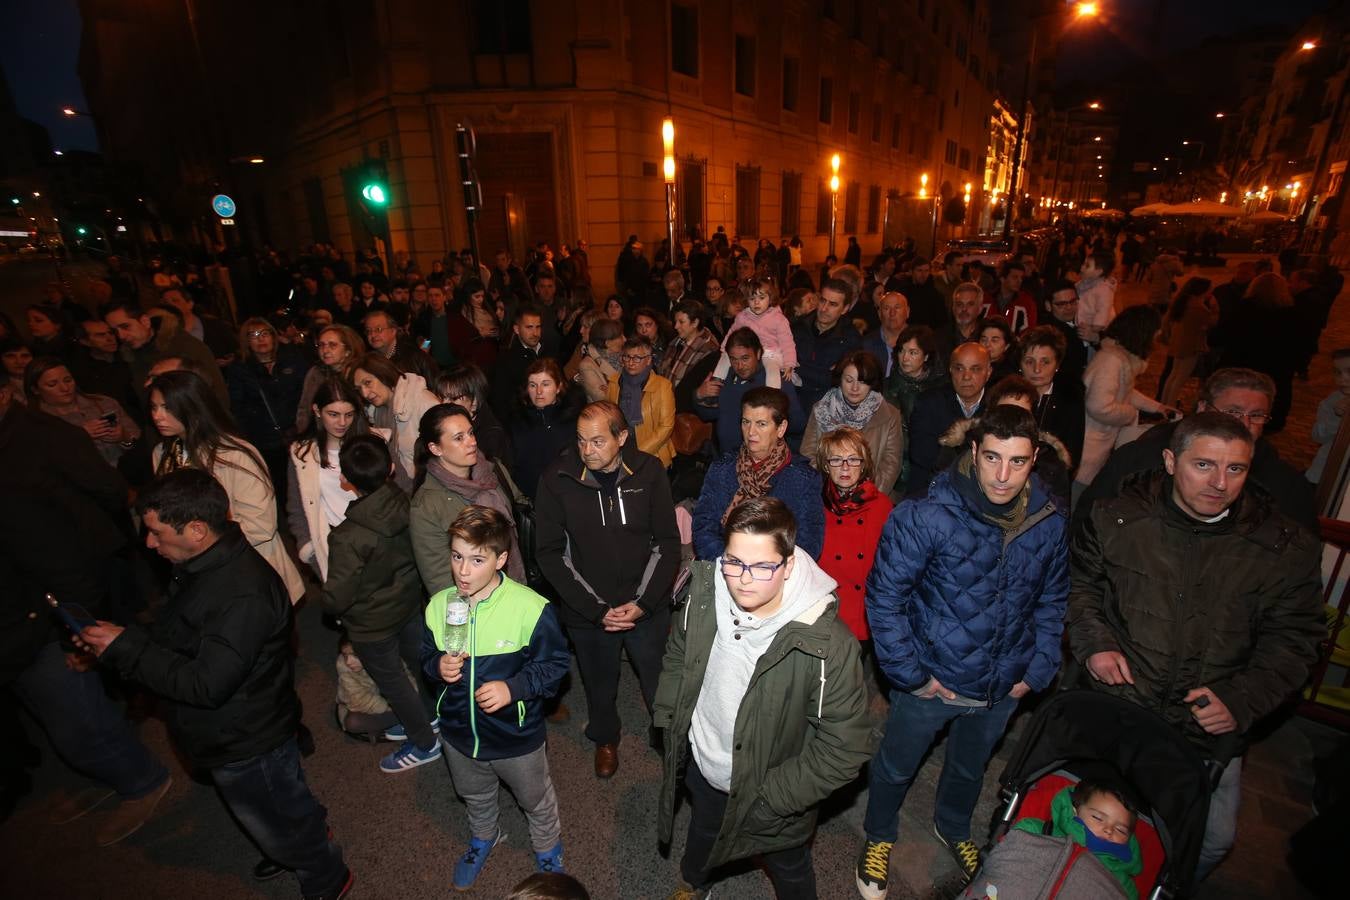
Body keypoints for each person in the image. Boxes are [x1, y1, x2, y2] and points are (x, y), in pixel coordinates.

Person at [1067, 412, 1323, 881]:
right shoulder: (1118, 518)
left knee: (1210, 840)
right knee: (1090, 814)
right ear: (1170, 461)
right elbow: (1081, 587)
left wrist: (1242, 699)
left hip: (1204, 731)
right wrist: (1095, 644)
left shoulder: (1283, 548)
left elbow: (1297, 639)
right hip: (1121, 706)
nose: (1219, 483)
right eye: (1203, 465)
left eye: (1235, 469)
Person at [77, 470, 352, 900]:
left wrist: (128, 650)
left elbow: (206, 685)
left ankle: (324, 874)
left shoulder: (241, 593)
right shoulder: (201, 565)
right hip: (235, 728)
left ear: (197, 530)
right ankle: (297, 838)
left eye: (156, 533)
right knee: (279, 804)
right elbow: (179, 629)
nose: (148, 543)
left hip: (247, 735)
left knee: (276, 811)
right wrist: (123, 639)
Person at [857, 405, 1069, 897]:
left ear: (1035, 459)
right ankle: (879, 834)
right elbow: (885, 599)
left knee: (970, 769)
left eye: (1017, 461)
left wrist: (1036, 669)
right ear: (973, 451)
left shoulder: (1049, 519)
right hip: (932, 680)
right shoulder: (925, 514)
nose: (1003, 475)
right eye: (992, 457)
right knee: (896, 765)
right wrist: (912, 675)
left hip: (1003, 684)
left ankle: (952, 826)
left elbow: (1053, 599)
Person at [655, 497, 871, 900]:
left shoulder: (829, 644)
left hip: (769, 793)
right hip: (704, 765)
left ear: (788, 565)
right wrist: (670, 717)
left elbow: (846, 748)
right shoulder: (704, 595)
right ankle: (694, 882)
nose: (743, 579)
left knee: (789, 866)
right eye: (734, 562)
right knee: (703, 829)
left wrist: (775, 796)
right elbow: (679, 654)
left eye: (762, 567)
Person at [0, 377, 173, 847]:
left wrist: (79, 623)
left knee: (75, 711)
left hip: (49, 606)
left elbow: (102, 497)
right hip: (27, 610)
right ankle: (109, 770)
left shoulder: (40, 437)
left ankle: (140, 779)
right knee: (65, 709)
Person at [420, 506, 570, 889]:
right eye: (457, 556)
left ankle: (547, 847)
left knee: (534, 798)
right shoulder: (439, 606)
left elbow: (555, 667)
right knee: (474, 793)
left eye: (477, 560)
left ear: (501, 559)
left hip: (515, 737)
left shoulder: (530, 608)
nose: (463, 571)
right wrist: (437, 665)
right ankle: (485, 835)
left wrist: (512, 688)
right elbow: (424, 656)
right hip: (458, 732)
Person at [534, 401, 681, 778]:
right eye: (581, 440)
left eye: (598, 441)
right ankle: (605, 738)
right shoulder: (558, 479)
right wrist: (597, 610)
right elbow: (550, 553)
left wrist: (643, 603)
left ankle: (666, 737)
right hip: (589, 613)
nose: (587, 451)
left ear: (622, 437)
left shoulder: (649, 471)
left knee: (657, 678)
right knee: (599, 683)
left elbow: (667, 543)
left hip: (645, 605)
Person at [322, 435, 438, 773]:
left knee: (394, 683)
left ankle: (424, 743)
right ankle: (429, 718)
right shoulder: (405, 502)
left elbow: (338, 593)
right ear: (390, 468)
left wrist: (330, 608)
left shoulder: (347, 536)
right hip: (408, 604)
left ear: (346, 479)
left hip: (371, 624)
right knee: (420, 665)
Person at [1078, 367, 1317, 529]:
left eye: (1256, 415)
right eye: (1233, 411)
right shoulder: (1142, 457)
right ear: (1202, 408)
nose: (1244, 424)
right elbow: (1090, 520)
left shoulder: (1286, 486)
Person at [149, 370, 306, 604]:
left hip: (248, 572)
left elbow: (260, 525)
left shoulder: (233, 454)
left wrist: (200, 545)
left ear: (192, 406)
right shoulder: (162, 454)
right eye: (153, 407)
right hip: (201, 576)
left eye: (167, 407)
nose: (157, 416)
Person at [693, 387, 824, 560]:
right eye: (746, 422)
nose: (751, 432)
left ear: (781, 428)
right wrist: (731, 562)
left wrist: (763, 566)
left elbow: (809, 543)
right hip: (722, 565)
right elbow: (703, 526)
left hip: (776, 572)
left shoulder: (803, 479)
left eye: (761, 424)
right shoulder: (722, 469)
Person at [410, 403, 526, 593]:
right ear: (436, 448)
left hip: (515, 587)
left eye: (471, 433)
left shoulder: (493, 471)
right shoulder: (427, 505)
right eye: (459, 438)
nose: (471, 442)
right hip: (471, 602)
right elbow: (439, 580)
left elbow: (520, 504)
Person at [1076, 306, 1178, 495]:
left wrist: (1157, 407)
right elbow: (1098, 406)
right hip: (1088, 445)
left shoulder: (1120, 358)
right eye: (1155, 331)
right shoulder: (1111, 361)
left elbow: (1125, 391)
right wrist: (1131, 414)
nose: (1157, 337)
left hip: (1096, 442)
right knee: (1077, 494)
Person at [815, 427, 894, 650]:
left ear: (863, 464)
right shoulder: (814, 504)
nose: (845, 467)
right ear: (825, 465)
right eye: (836, 460)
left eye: (853, 459)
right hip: (824, 610)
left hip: (862, 615)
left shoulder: (882, 506)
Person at [286, 376, 370, 581]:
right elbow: (296, 508)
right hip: (333, 546)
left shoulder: (373, 444)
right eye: (333, 414)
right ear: (317, 410)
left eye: (349, 415)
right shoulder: (301, 454)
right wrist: (310, 550)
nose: (342, 423)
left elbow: (399, 492)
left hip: (374, 541)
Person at [1009, 779, 1143, 898]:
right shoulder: (1038, 831)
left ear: (1129, 840)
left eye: (1120, 830)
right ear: (1075, 811)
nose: (1108, 830)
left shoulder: (1122, 884)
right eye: (1098, 818)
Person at [228, 317, 312, 504]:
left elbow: (308, 393)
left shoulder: (292, 359)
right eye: (254, 335)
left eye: (265, 333)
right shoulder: (241, 369)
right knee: (282, 488)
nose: (261, 339)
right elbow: (238, 407)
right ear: (246, 341)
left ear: (273, 336)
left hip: (299, 433)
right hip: (266, 439)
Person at [801, 350, 903, 495]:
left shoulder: (890, 415)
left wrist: (866, 496)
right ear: (840, 380)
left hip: (872, 494)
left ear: (871, 383)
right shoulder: (822, 409)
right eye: (849, 380)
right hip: (826, 493)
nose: (855, 388)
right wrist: (828, 492)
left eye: (862, 382)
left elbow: (891, 465)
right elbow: (808, 455)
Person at [694, 327, 806, 454]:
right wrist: (699, 395)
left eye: (745, 358)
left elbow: (798, 425)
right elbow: (708, 415)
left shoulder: (776, 383)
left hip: (761, 460)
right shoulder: (725, 377)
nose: (739, 366)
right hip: (726, 457)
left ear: (758, 354)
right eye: (733, 359)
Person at [102, 301, 227, 407]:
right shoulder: (127, 357)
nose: (121, 336)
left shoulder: (184, 346)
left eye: (125, 326)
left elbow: (217, 395)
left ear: (145, 321)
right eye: (115, 331)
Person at [906, 342, 991, 497]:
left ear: (988, 372)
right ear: (950, 370)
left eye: (975, 369)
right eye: (959, 368)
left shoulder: (996, 406)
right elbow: (922, 455)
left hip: (983, 494)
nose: (966, 376)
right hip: (932, 490)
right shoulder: (929, 403)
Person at [25, 356, 139, 466]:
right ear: (35, 390)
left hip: (122, 470)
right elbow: (41, 461)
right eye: (52, 384)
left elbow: (135, 442)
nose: (65, 388)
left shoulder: (104, 403)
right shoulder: (35, 421)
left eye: (68, 380)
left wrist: (124, 437)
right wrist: (79, 435)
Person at [351, 352, 439, 486]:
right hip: (400, 488)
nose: (364, 393)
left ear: (383, 373)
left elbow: (444, 451)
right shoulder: (377, 411)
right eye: (359, 389)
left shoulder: (423, 402)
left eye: (368, 383)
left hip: (427, 488)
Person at [510, 359, 582, 500]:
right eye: (533, 385)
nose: (539, 391)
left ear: (558, 387)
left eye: (545, 384)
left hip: (568, 497)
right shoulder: (518, 423)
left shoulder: (574, 422)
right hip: (529, 499)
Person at [1019, 324, 1085, 471]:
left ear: (1057, 365)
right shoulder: (1008, 396)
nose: (1037, 369)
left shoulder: (1070, 400)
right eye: (1029, 361)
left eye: (1045, 362)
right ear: (1020, 364)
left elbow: (1072, 455)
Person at [792, 278, 862, 411]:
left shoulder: (851, 340)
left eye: (833, 304)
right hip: (792, 404)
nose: (824, 308)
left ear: (845, 309)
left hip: (828, 410)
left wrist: (800, 369)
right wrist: (825, 373)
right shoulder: (796, 328)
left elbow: (843, 381)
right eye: (822, 301)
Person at [606, 335, 676, 467]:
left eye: (637, 358)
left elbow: (666, 426)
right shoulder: (614, 382)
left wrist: (640, 452)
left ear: (648, 360)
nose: (631, 362)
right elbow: (609, 418)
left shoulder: (662, 386)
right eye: (627, 357)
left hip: (653, 454)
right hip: (621, 449)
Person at [714, 276, 798, 386]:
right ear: (747, 300)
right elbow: (732, 333)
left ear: (770, 299)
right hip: (748, 351)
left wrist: (789, 363)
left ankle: (772, 393)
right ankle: (717, 381)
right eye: (752, 299)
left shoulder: (778, 319)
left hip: (769, 353)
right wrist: (724, 348)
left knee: (772, 370)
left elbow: (787, 343)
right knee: (725, 355)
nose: (756, 302)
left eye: (761, 298)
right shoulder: (743, 316)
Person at [434, 363, 514, 470]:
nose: (444, 404)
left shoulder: (491, 437)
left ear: (474, 402)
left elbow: (486, 476)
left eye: (453, 399)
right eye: (441, 398)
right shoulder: (441, 423)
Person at [1158, 277, 1220, 408]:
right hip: (1191, 346)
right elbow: (1211, 322)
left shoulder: (1183, 303)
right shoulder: (1198, 307)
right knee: (1180, 379)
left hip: (1178, 344)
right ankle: (1170, 407)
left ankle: (1164, 404)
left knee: (1173, 376)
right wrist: (1215, 308)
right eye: (1210, 290)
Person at [297, 324, 364, 432]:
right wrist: (304, 434)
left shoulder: (359, 373)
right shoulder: (315, 373)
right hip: (320, 433)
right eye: (321, 345)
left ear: (348, 351)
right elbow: (305, 409)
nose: (325, 350)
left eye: (332, 345)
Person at [658, 300, 721, 412]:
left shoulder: (710, 350)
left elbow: (694, 390)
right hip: (665, 404)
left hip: (686, 411)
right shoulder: (677, 341)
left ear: (695, 322)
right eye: (675, 321)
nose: (676, 326)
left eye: (681, 322)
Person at [491, 304, 548, 423]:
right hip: (524, 423)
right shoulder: (506, 361)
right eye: (529, 327)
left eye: (538, 327)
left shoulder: (548, 351)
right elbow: (500, 403)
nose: (535, 333)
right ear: (517, 329)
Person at [159, 286, 237, 365]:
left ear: (190, 304)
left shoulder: (216, 325)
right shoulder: (164, 334)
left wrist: (231, 360)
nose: (170, 305)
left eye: (175, 300)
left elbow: (237, 351)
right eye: (165, 303)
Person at [1308, 349, 1350, 484]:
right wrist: (1337, 418)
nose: (1343, 378)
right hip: (1325, 472)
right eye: (1338, 372)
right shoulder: (1332, 401)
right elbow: (1317, 436)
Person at [363, 308, 438, 384]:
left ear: (393, 331)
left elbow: (427, 339)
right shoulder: (368, 361)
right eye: (368, 331)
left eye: (378, 329)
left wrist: (424, 347)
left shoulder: (415, 358)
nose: (372, 335)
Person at [1042, 281, 1089, 389]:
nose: (1069, 307)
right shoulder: (1051, 334)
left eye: (1073, 301)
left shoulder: (1076, 324)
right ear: (1048, 306)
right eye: (1061, 304)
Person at [572, 317, 624, 403]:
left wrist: (612, 390)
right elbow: (603, 399)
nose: (625, 339)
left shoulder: (627, 356)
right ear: (608, 343)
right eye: (620, 337)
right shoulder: (587, 366)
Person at [1074, 252, 1118, 346]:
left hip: (1093, 328)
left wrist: (1095, 329)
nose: (1082, 267)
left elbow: (1103, 310)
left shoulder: (1104, 289)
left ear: (1098, 272)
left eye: (1087, 266)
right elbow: (1076, 290)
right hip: (1083, 323)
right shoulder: (1086, 282)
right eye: (1083, 264)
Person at [862, 291, 910, 378]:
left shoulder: (920, 342)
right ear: (879, 314)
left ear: (907, 312)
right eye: (886, 308)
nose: (892, 313)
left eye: (897, 307)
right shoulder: (866, 344)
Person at [982, 261, 1038, 333]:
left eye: (1021, 278)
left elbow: (1029, 330)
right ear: (1002, 279)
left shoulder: (1027, 303)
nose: (1019, 281)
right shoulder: (986, 299)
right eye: (1015, 277)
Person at [935, 283, 984, 356]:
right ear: (953, 308)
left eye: (970, 304)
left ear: (980, 309)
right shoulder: (939, 338)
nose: (964, 309)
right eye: (959, 304)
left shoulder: (987, 336)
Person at [978, 316, 1019, 381]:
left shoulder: (1009, 375)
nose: (987, 344)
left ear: (1007, 346)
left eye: (994, 340)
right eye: (984, 340)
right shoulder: (972, 363)